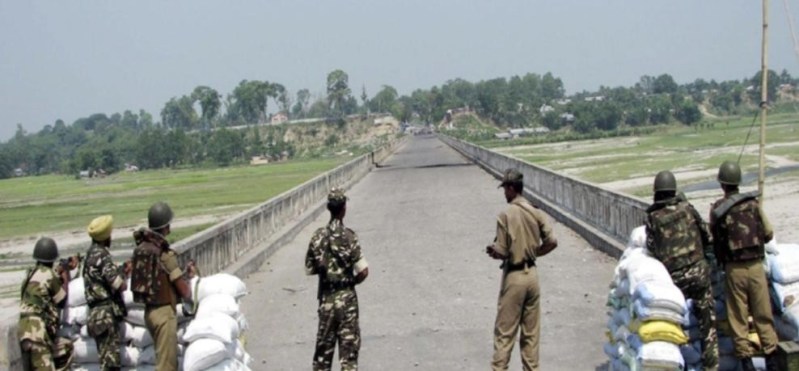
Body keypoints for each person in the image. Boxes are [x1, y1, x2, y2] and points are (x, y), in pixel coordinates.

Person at [644, 170, 718, 370]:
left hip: (673, 280)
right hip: (699, 273)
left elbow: (651, 247)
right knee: (708, 325)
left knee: (671, 324)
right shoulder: (688, 209)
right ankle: (711, 366)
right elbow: (706, 236)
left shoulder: (653, 217)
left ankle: (677, 362)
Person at [485, 169, 557, 371]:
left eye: (504, 190)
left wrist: (493, 251)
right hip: (532, 276)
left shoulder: (505, 215)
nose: (504, 194)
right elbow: (552, 241)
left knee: (505, 333)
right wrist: (534, 253)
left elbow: (501, 251)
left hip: (514, 277)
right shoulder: (535, 211)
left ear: (510, 188)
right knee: (531, 334)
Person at [709, 161, 778, 371]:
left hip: (733, 270)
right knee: (763, 315)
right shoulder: (753, 204)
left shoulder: (717, 210)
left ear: (722, 184)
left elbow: (715, 239)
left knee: (738, 318)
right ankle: (773, 359)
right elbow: (768, 234)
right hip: (756, 266)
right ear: (738, 182)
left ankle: (746, 363)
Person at [305, 187, 369, 371]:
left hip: (326, 300)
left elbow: (310, 269)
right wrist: (350, 281)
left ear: (328, 208)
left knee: (323, 355)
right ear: (344, 208)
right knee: (348, 356)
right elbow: (364, 270)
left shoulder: (317, 236)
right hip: (347, 300)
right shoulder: (349, 236)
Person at [130, 202, 195, 371]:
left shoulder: (142, 249)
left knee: (161, 359)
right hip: (164, 314)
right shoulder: (165, 255)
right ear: (165, 227)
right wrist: (190, 277)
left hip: (149, 312)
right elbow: (185, 291)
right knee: (167, 365)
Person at [18, 237, 76, 371]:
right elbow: (62, 301)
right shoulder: (49, 275)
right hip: (37, 332)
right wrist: (66, 277)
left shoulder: (29, 274)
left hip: (25, 329)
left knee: (66, 347)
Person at [83, 215, 127, 371]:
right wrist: (124, 274)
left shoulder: (89, 254)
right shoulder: (102, 254)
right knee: (110, 365)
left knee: (104, 361)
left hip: (95, 315)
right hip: (105, 315)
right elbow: (118, 284)